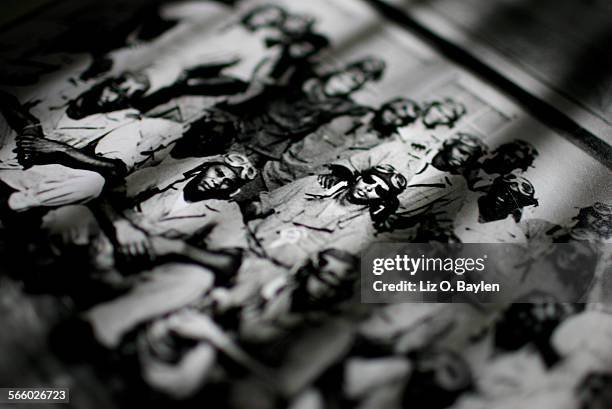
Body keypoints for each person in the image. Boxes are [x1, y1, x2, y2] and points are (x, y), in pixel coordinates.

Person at [246, 161, 407, 267]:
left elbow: (320, 270)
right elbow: (261, 205)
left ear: (381, 200)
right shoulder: (314, 185)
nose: (368, 188)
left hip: (272, 268)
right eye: (369, 180)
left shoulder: (359, 231)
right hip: (244, 240)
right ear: (358, 177)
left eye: (379, 190)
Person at [262, 97, 421, 189]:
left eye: (402, 118)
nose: (393, 118)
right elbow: (297, 132)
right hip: (274, 171)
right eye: (392, 111)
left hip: (302, 188)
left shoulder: (387, 145)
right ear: (385, 106)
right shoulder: (352, 113)